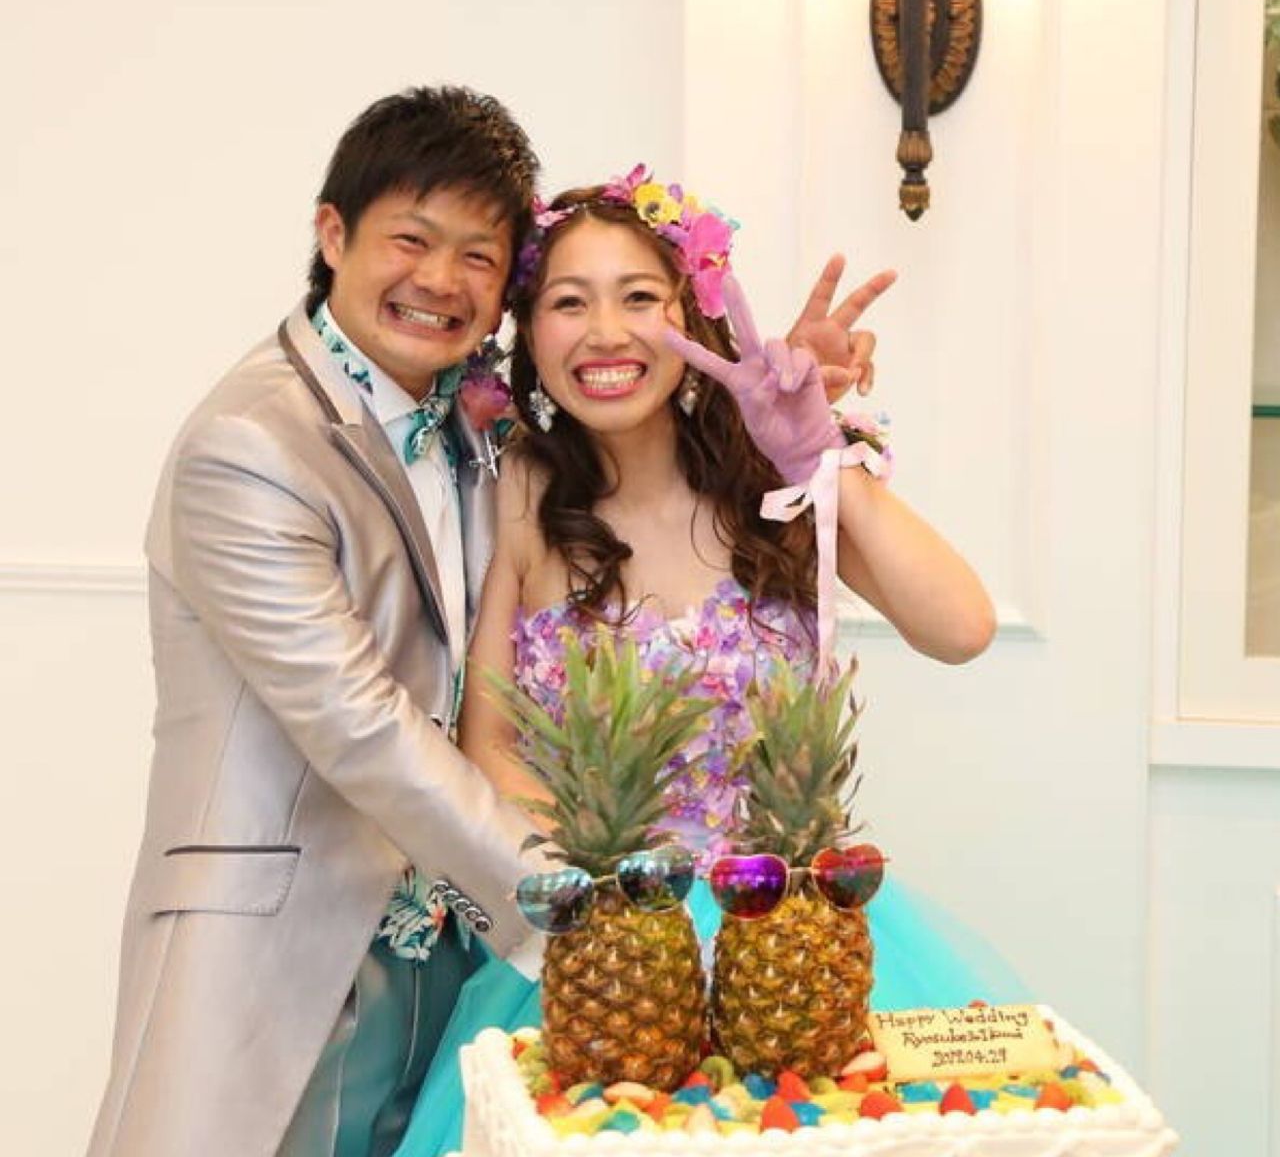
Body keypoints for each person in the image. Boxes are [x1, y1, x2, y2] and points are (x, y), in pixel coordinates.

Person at [89, 96, 888, 1157]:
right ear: (332, 235)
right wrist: (594, 908)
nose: (441, 279)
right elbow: (359, 724)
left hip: (447, 956)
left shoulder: (489, 432)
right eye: (410, 240)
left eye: (478, 255)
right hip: (284, 947)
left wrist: (800, 435)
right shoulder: (251, 443)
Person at [392, 169, 1017, 1157]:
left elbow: (962, 627)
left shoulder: (777, 480)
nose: (605, 332)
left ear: (694, 316)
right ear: (527, 332)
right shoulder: (518, 490)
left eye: (639, 296)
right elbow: (492, 745)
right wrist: (612, 916)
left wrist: (819, 456)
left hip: (793, 945)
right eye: (568, 301)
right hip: (607, 954)